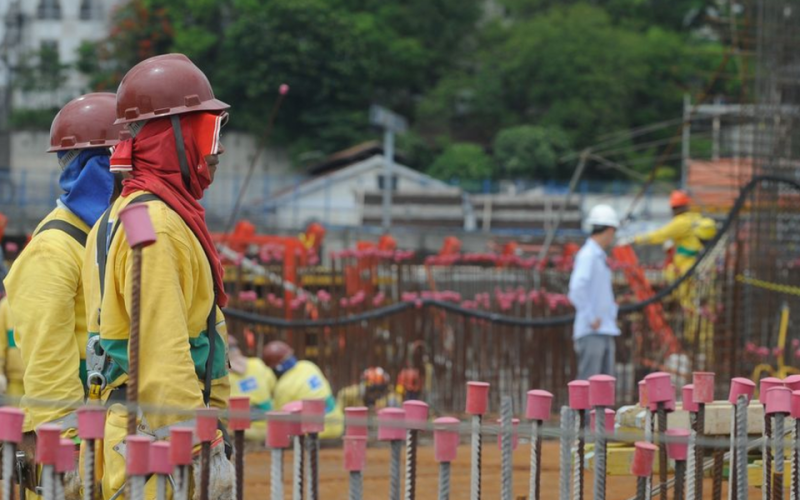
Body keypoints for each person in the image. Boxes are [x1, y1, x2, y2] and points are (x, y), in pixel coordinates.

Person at [81, 54, 234, 499]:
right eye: (209, 132)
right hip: (161, 451)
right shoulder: (157, 226)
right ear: (176, 137)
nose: (217, 149)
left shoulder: (122, 214)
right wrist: (203, 447)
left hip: (143, 438)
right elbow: (160, 350)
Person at [4, 92, 125, 498]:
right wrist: (68, 442)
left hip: (110, 428)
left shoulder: (109, 237)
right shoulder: (54, 247)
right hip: (78, 439)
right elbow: (47, 355)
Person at [568, 204, 621, 380]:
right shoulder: (588, 255)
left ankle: (599, 410)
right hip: (592, 330)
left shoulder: (597, 255)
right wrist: (591, 317)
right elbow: (576, 289)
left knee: (604, 386)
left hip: (604, 328)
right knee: (589, 384)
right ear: (609, 230)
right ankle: (580, 410)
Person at [262, 340, 344, 439]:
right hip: (337, 424)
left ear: (276, 369)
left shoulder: (283, 387)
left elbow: (279, 420)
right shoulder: (308, 365)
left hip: (315, 431)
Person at [228, 336, 276, 442]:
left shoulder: (221, 375)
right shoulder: (257, 363)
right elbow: (273, 388)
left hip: (242, 432)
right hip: (269, 428)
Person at [336, 366, 401, 411]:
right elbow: (342, 395)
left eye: (379, 390)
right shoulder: (352, 393)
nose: (375, 394)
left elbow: (396, 398)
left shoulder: (389, 398)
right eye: (372, 390)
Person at [0, 294, 23, 400]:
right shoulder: (5, 306)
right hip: (15, 381)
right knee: (15, 415)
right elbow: (1, 343)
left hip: (42, 378)